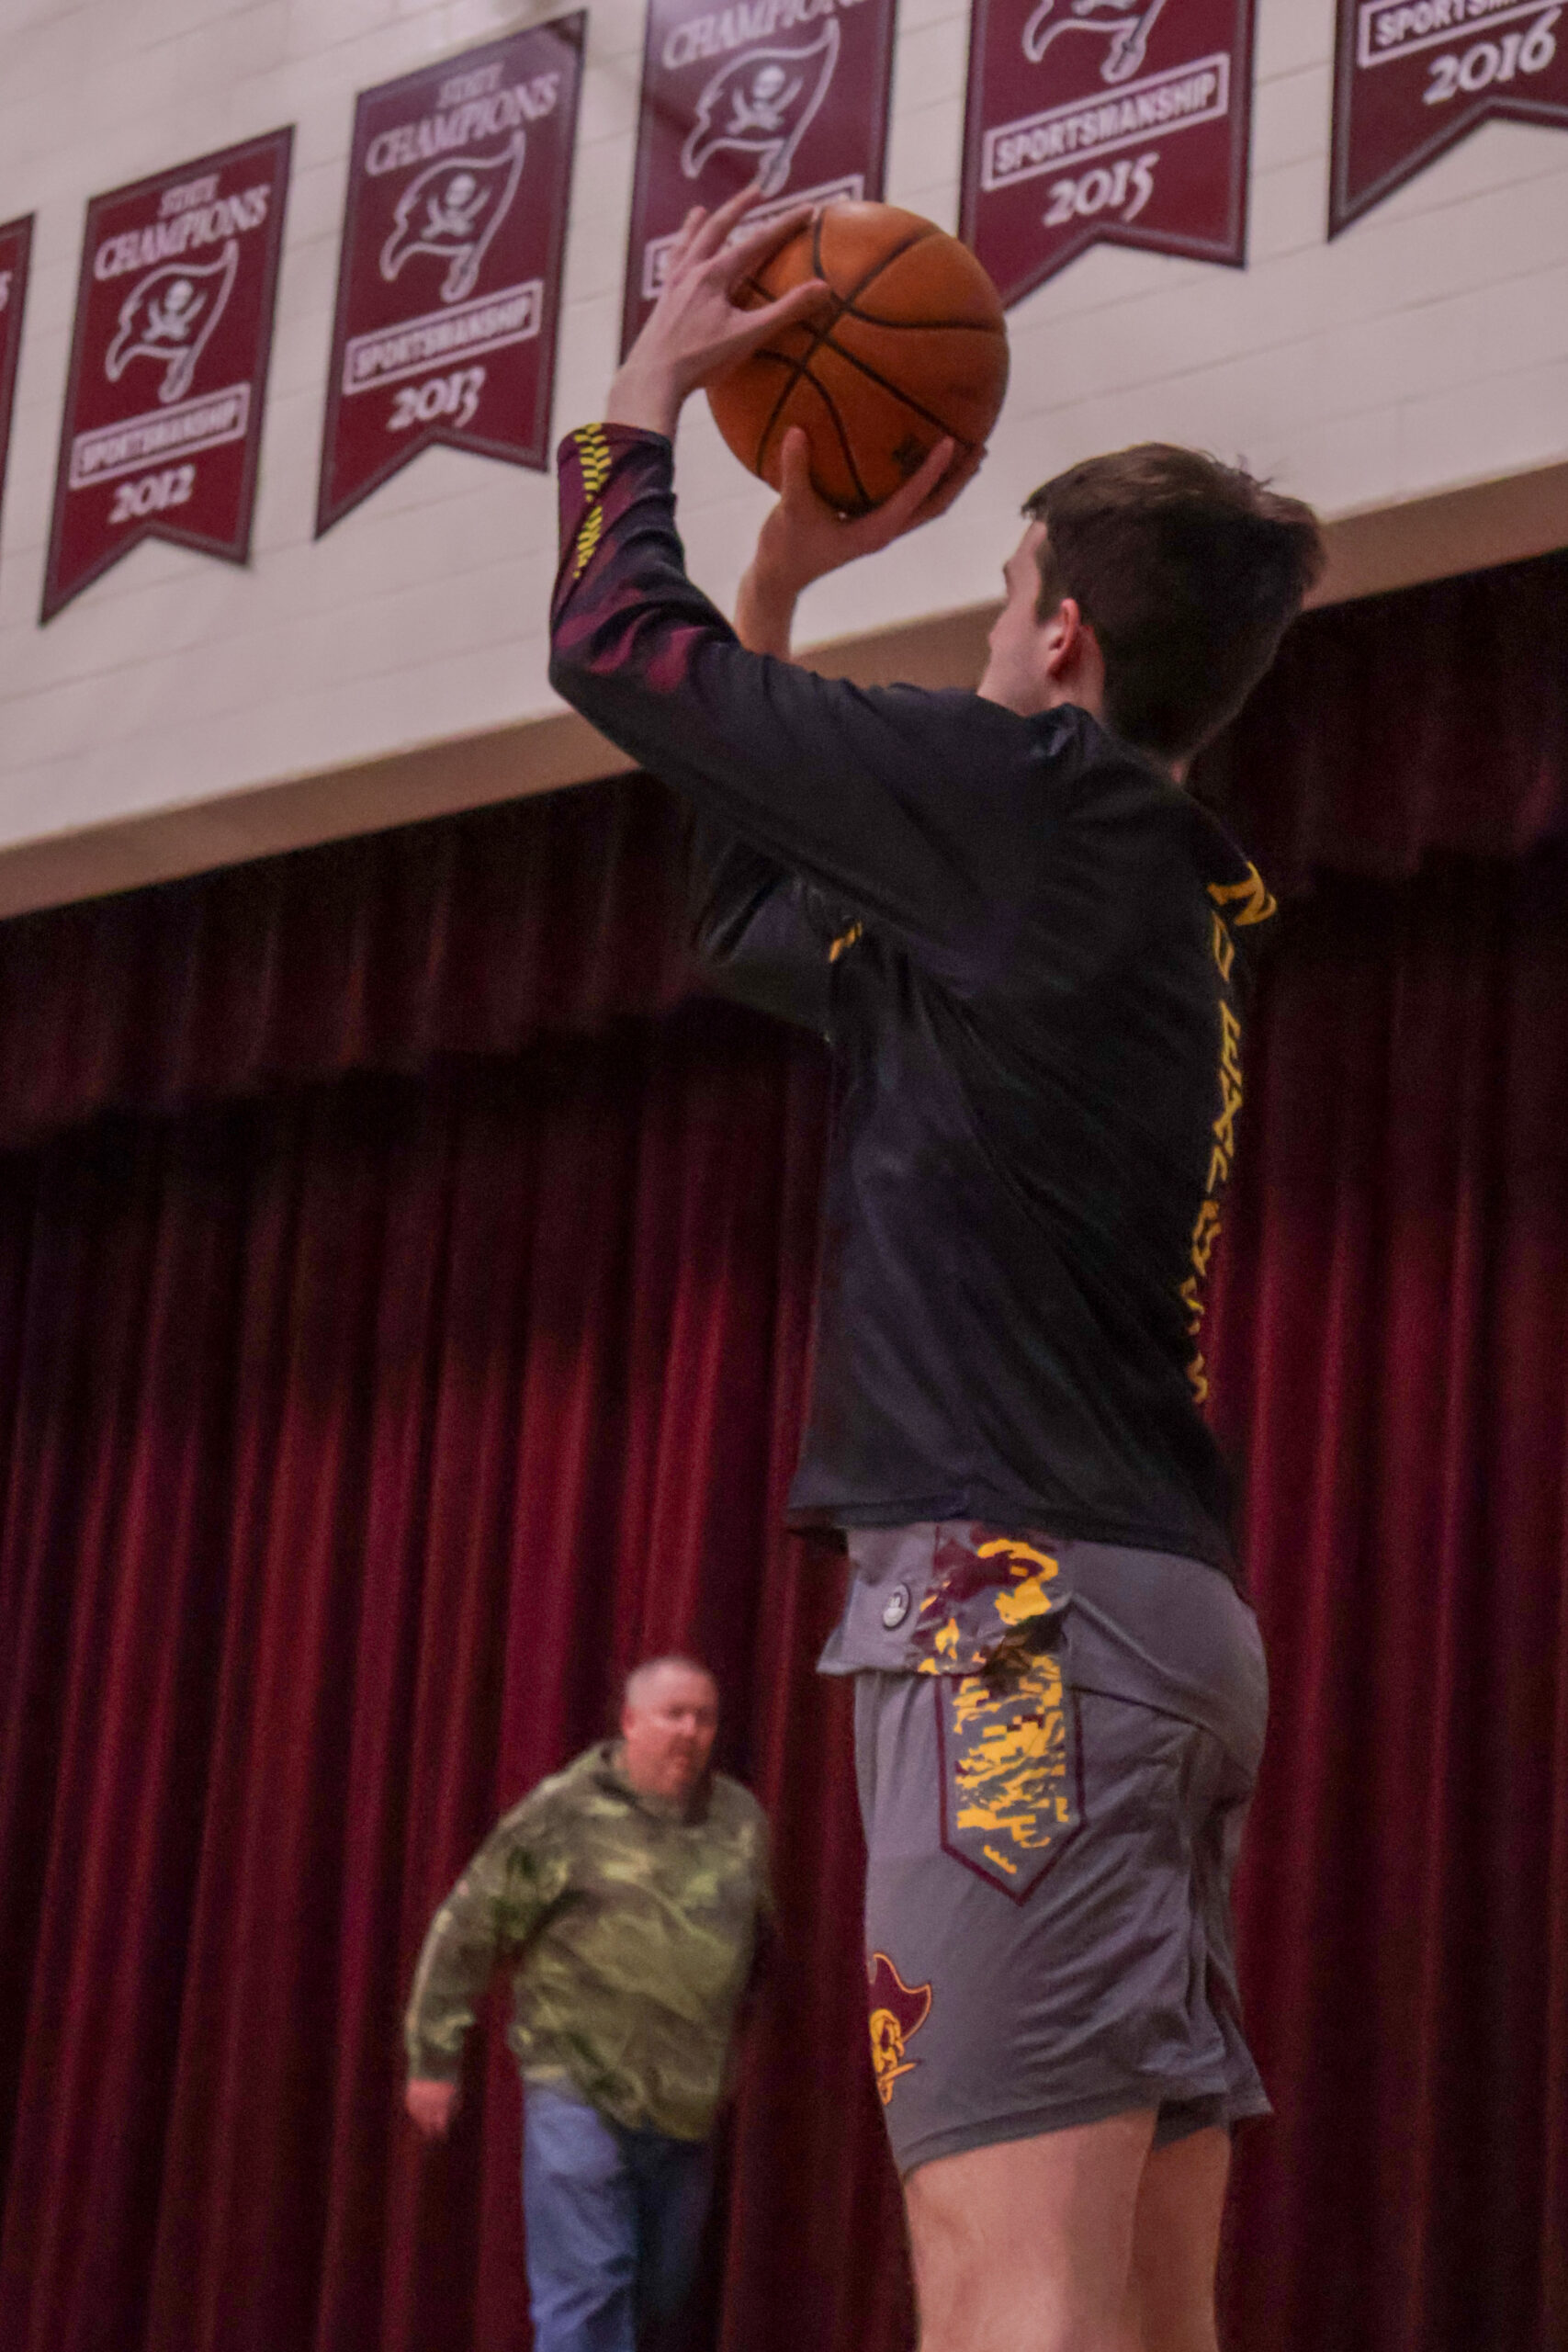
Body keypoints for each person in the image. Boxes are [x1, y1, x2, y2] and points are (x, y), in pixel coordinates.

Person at [547, 187, 1324, 2352]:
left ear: (1058, 636)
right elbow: (749, 927)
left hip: (1011, 1628)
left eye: (997, 591)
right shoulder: (1115, 889)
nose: (983, 628)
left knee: (1007, 2285)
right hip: (1144, 1621)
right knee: (1137, 2301)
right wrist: (780, 577)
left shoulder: (1024, 808)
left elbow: (610, 652)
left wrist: (642, 395)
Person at [403, 1657, 771, 2352]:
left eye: (704, 1718)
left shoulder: (740, 1821)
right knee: (590, 2286)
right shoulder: (562, 1813)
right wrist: (433, 2057)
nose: (689, 1732)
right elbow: (467, 1929)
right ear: (630, 1721)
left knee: (662, 2294)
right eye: (673, 1714)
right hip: (578, 2085)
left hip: (686, 2103)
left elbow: (759, 1952)